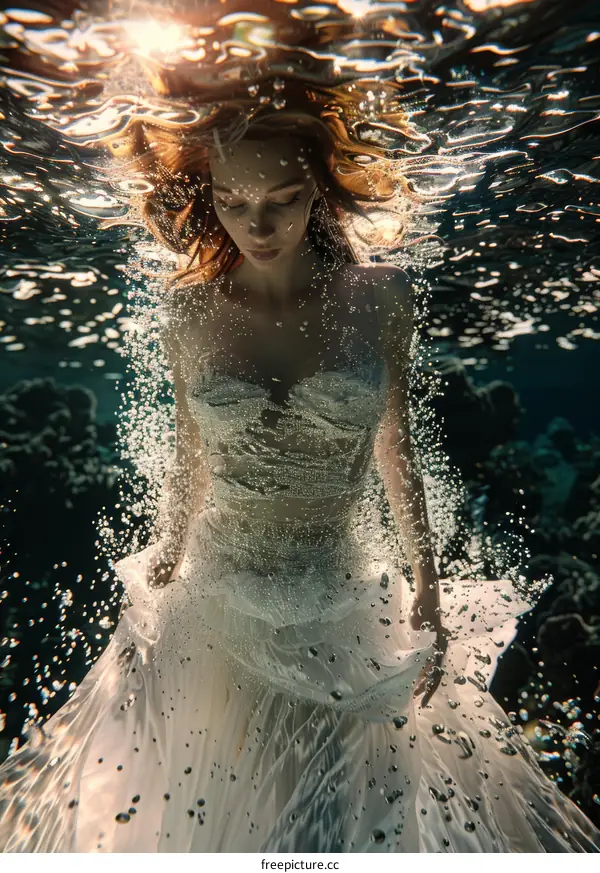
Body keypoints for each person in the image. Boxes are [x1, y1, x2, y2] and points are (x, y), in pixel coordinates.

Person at [1, 78, 599, 854]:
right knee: (215, 816)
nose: (257, 224)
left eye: (281, 198)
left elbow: (395, 449)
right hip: (215, 600)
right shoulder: (189, 309)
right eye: (231, 202)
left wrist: (426, 577)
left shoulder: (382, 295)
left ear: (318, 188)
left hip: (340, 596)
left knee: (332, 823)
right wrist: (167, 557)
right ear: (208, 198)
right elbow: (191, 463)